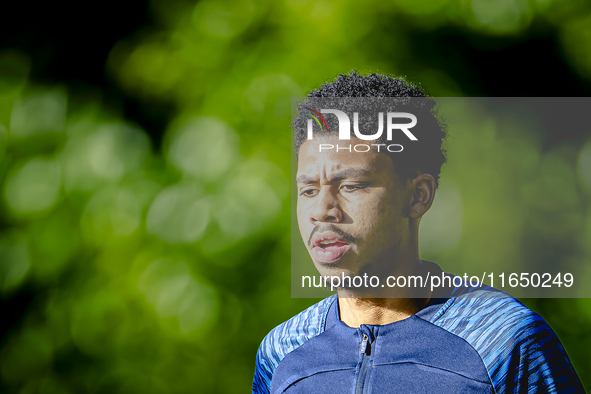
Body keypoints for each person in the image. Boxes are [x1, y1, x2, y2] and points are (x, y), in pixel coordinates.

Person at [252, 71, 584, 393]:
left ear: (417, 196)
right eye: (308, 190)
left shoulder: (503, 341)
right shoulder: (282, 352)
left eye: (351, 185)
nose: (322, 210)